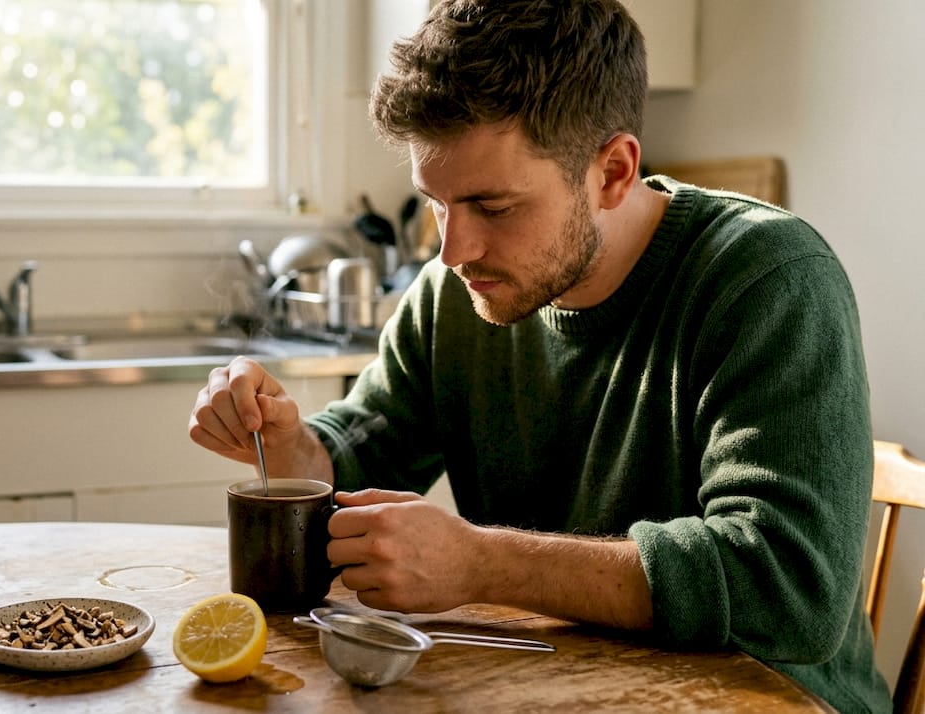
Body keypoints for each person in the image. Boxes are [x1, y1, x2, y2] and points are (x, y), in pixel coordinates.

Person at [188, 0, 890, 710]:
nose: (453, 251)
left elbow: (791, 590)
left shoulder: (769, 280)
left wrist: (482, 564)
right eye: (436, 202)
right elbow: (360, 455)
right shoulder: (452, 294)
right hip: (557, 690)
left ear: (613, 171)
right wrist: (288, 445)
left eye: (493, 208)